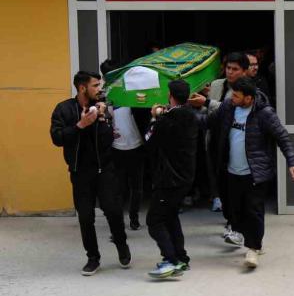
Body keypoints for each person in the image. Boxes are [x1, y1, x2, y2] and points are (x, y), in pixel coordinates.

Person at [194, 77, 294, 269]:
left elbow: (283, 138)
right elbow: (207, 122)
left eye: (236, 96)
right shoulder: (228, 107)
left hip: (255, 173)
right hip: (231, 171)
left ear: (249, 98)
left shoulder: (264, 114)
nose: (232, 98)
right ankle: (248, 238)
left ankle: (253, 248)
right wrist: (181, 113)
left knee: (254, 211)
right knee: (234, 210)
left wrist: (292, 164)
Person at [50, 71, 130, 276]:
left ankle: (121, 245)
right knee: (85, 217)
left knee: (113, 210)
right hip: (80, 172)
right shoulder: (64, 109)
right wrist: (80, 125)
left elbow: (108, 141)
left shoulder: (103, 107)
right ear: (82, 88)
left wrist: (102, 119)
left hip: (105, 170)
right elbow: (57, 138)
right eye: (95, 85)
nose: (99, 89)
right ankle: (93, 258)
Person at [145, 80, 200, 279]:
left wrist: (154, 118)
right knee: (170, 216)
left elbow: (149, 141)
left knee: (154, 220)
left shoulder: (167, 120)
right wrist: (163, 114)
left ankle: (170, 260)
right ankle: (181, 258)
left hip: (169, 180)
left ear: (170, 96)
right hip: (185, 178)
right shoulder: (191, 116)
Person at [101, 59, 150, 231]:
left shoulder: (132, 91)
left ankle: (134, 218)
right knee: (118, 188)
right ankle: (118, 222)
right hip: (116, 148)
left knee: (137, 187)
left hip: (136, 146)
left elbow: (144, 114)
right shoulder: (103, 96)